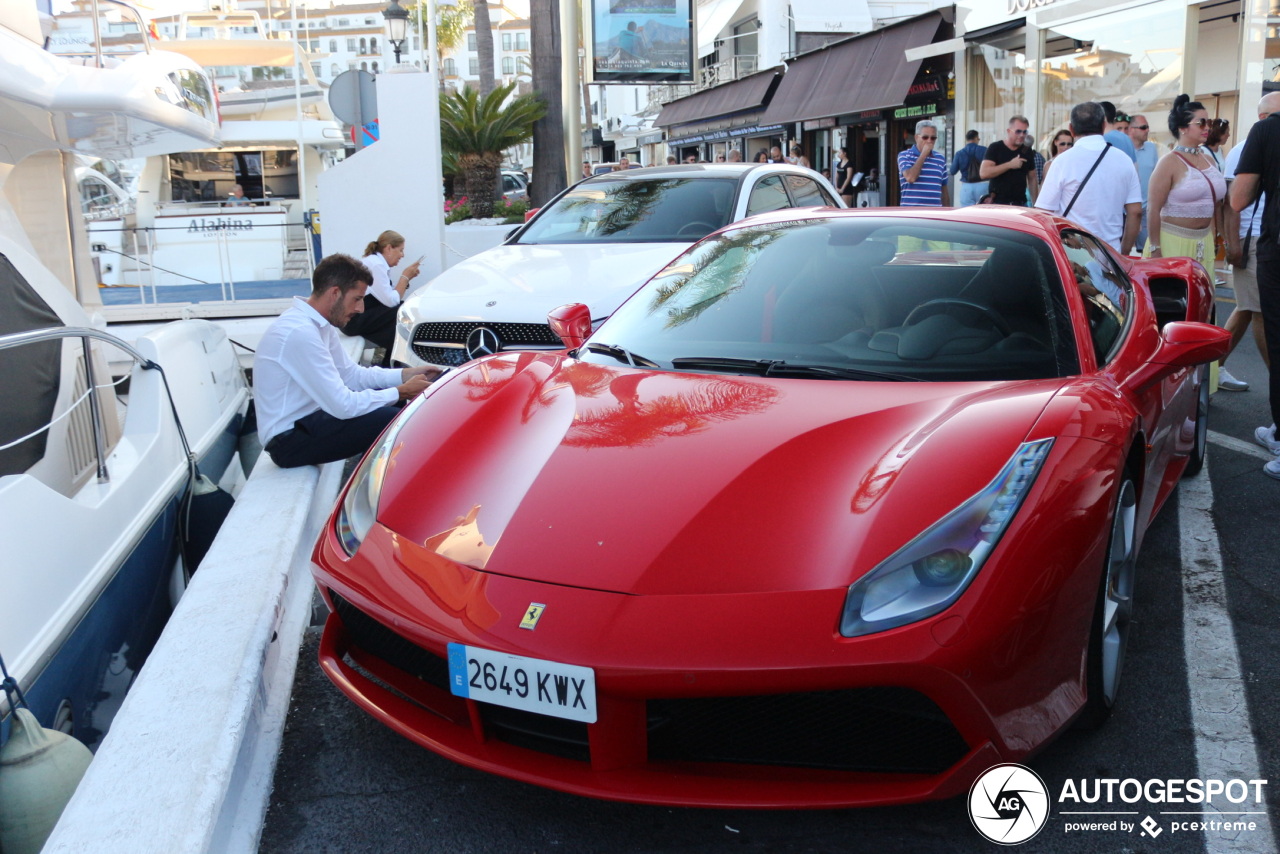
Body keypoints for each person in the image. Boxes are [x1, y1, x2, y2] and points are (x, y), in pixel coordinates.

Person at [255, 253, 440, 469]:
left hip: (310, 422)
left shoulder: (318, 325)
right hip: (287, 440)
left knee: (396, 406)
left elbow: (352, 375)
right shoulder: (299, 332)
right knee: (395, 418)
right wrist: (400, 391)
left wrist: (404, 375)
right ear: (335, 293)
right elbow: (343, 405)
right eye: (357, 299)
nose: (361, 309)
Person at [1230, 91, 1280, 476]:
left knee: (1275, 336)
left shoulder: (1265, 132)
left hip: (1275, 248)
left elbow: (1238, 197)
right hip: (1262, 247)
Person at [1035, 101, 1142, 254]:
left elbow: (1043, 213)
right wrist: (1123, 255)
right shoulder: (1124, 160)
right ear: (1104, 125)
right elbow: (1135, 212)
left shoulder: (1062, 161)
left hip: (1073, 254)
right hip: (1111, 253)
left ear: (1071, 129)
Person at [1221, 98, 1274, 394]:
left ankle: (1213, 369)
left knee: (1247, 308)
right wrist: (1233, 245)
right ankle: (1274, 376)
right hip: (1251, 239)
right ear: (1264, 117)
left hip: (1266, 238)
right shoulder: (1244, 149)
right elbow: (1232, 205)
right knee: (1258, 311)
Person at [1145, 95, 1226, 270]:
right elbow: (1153, 209)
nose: (1207, 128)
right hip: (1172, 243)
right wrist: (1155, 249)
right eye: (1201, 123)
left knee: (1203, 295)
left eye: (1209, 122)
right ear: (1183, 128)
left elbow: (1216, 205)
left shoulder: (1209, 161)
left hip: (1204, 243)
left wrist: (1217, 236)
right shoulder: (1168, 162)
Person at [343, 230, 420, 366]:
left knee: (402, 314)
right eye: (401, 250)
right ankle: (394, 364)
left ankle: (391, 364)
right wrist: (405, 277)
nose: (402, 255)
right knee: (403, 311)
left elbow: (389, 298)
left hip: (359, 316)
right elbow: (391, 301)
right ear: (389, 248)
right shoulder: (376, 264)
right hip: (353, 320)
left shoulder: (376, 263)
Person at [981, 115, 1038, 206]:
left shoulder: (1027, 150)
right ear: (1009, 131)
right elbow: (984, 173)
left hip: (1020, 204)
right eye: (1018, 131)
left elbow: (1032, 177)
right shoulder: (996, 147)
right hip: (998, 204)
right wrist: (1009, 165)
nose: (1022, 135)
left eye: (1025, 132)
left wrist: (1036, 204)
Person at [897, 119, 950, 207]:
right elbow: (910, 177)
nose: (929, 141)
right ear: (916, 138)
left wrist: (948, 213)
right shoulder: (905, 155)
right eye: (925, 137)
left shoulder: (940, 159)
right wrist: (923, 155)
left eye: (933, 138)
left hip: (934, 213)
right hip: (911, 213)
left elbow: (944, 189)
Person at [1128, 114, 1159, 249]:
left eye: (1147, 127)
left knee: (1146, 249)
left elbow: (1157, 176)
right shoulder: (1123, 149)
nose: (1147, 130)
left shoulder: (1151, 148)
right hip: (1126, 210)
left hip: (1147, 209)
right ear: (1131, 130)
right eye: (1143, 127)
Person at [951, 130, 988, 206]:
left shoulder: (959, 153)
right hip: (983, 184)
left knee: (967, 214)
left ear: (966, 139)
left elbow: (952, 171)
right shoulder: (984, 150)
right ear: (976, 138)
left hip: (966, 186)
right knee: (984, 213)